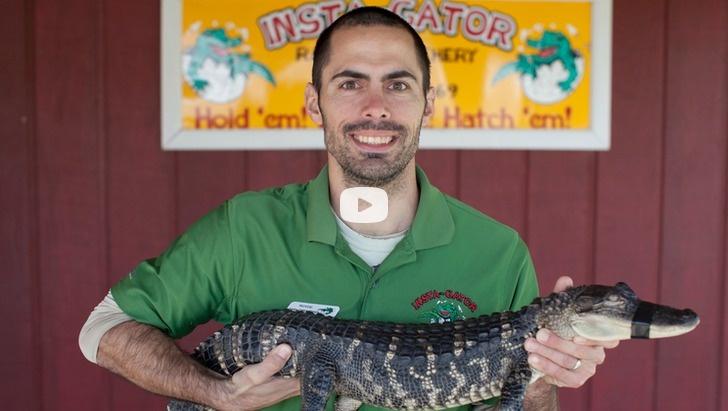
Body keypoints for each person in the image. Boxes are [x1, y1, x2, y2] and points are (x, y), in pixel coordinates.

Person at [79, 6, 617, 411]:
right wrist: (213, 392)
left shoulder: (499, 252)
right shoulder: (244, 228)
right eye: (350, 83)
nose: (375, 107)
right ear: (315, 101)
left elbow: (525, 404)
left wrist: (548, 372)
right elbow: (103, 329)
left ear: (428, 101)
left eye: (398, 84)